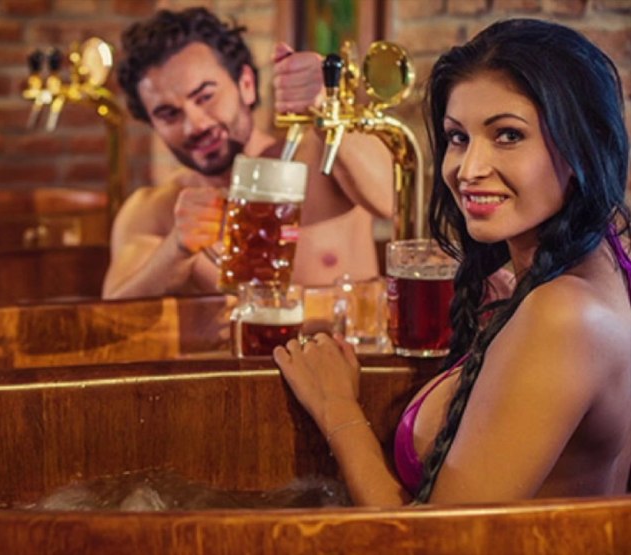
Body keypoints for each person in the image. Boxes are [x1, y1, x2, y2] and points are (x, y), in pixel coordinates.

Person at [274, 18, 631, 506]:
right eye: (458, 137)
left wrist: (337, 407)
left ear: (581, 145)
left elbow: (440, 542)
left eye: (508, 135)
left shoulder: (563, 315)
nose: (468, 169)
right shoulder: (596, 268)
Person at [102, 7, 394, 299]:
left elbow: (394, 200)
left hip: (345, 343)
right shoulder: (155, 209)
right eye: (168, 114)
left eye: (205, 96)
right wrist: (176, 249)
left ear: (246, 85)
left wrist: (327, 114)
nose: (195, 125)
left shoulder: (321, 156)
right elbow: (110, 316)